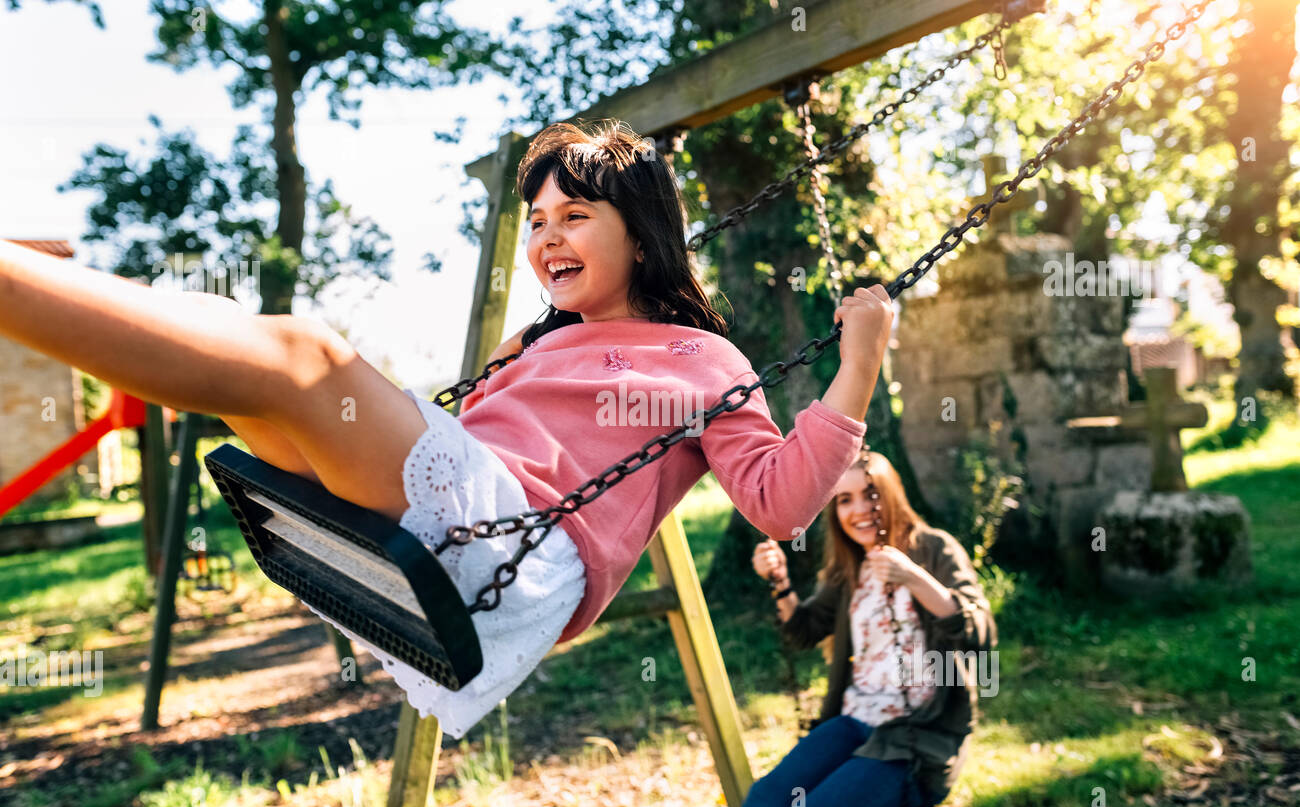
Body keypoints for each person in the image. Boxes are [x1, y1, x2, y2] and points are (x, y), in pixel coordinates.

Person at [0, 119, 893, 737]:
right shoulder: (539, 341)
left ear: (645, 233)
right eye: (538, 221)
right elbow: (467, 430)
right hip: (464, 516)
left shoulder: (702, 361)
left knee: (299, 353)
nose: (548, 238)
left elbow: (779, 505)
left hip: (520, 555)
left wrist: (857, 367)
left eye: (576, 215)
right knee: (231, 342)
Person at [737, 446, 996, 807]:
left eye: (869, 496)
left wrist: (913, 577)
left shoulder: (933, 549)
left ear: (890, 495)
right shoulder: (849, 569)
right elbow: (805, 630)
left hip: (917, 740)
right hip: (853, 722)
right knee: (762, 804)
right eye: (844, 500)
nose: (857, 510)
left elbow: (981, 633)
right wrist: (780, 583)